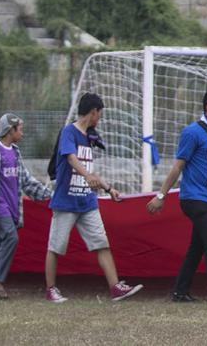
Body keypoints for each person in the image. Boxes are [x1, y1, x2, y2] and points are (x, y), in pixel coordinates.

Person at [44, 93, 142, 303]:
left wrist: (109, 189)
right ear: (94, 112)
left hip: (87, 203)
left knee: (101, 243)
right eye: (100, 114)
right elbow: (71, 158)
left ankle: (116, 288)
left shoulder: (90, 136)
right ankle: (51, 289)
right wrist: (87, 175)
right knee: (56, 247)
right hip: (66, 202)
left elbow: (91, 171)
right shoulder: (68, 132)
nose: (100, 118)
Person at [146, 87, 207, 304]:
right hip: (194, 198)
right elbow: (178, 167)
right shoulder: (192, 132)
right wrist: (161, 196)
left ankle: (180, 291)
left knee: (197, 247)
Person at [0, 114, 53, 299]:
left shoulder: (15, 152)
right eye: (20, 129)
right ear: (10, 130)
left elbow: (26, 181)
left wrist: (49, 195)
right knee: (11, 238)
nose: (22, 132)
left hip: (13, 208)